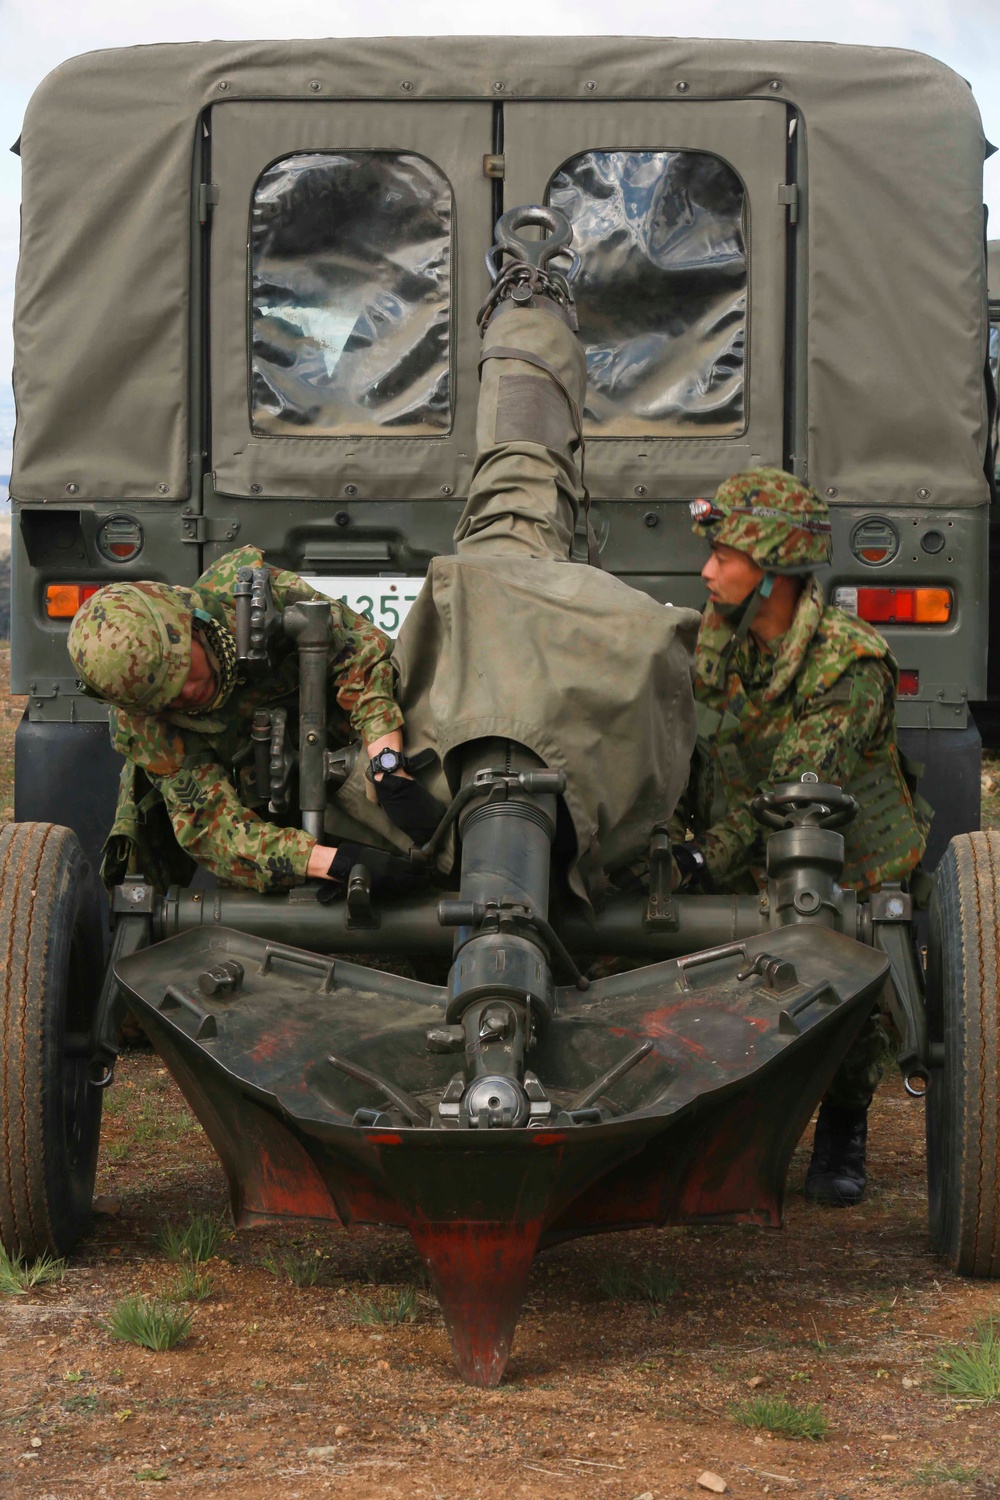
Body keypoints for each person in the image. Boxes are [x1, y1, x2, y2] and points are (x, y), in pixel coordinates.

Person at [674, 466, 931, 1207]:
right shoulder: (720, 636)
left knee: (849, 995)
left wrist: (703, 855)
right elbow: (688, 742)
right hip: (742, 843)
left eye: (724, 556)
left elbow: (795, 797)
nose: (707, 571)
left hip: (845, 859)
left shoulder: (849, 664)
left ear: (774, 571)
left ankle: (843, 1125)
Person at [67, 546, 442, 895]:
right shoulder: (146, 728)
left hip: (359, 744)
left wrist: (387, 765)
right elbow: (214, 830)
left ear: (190, 623)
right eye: (169, 699)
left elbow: (358, 655)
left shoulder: (246, 595)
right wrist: (335, 863)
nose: (190, 692)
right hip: (268, 812)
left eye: (183, 670)